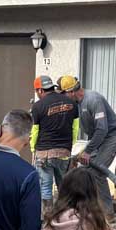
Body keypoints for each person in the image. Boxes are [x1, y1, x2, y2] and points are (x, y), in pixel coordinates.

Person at [60, 75, 116, 214]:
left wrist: (88, 151)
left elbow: (102, 129)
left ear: (71, 92)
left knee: (98, 171)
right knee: (83, 169)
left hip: (112, 136)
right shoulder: (77, 103)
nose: (64, 97)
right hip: (98, 138)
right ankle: (88, 207)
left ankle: (107, 213)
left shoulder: (93, 99)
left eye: (64, 94)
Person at [31, 75, 79, 213]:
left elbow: (35, 131)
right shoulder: (72, 104)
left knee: (45, 188)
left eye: (37, 91)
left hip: (44, 154)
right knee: (63, 187)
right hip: (64, 153)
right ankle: (64, 217)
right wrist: (69, 146)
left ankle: (48, 218)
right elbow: (75, 129)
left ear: (40, 90)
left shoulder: (38, 106)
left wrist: (33, 148)